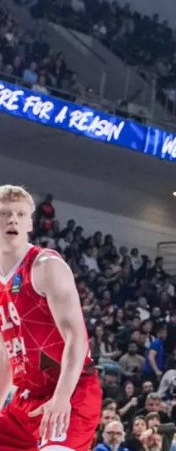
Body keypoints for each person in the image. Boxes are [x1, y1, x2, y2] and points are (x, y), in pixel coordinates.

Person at [0, 185, 102, 450]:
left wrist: (62, 397)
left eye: (20, 214)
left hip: (72, 392)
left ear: (30, 224)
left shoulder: (46, 266)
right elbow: (5, 357)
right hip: (25, 400)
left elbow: (76, 338)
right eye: (5, 213)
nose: (13, 220)